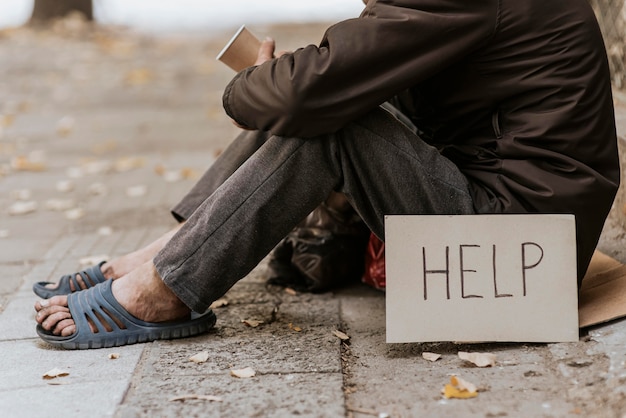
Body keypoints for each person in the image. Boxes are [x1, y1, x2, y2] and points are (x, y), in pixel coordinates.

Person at [34, 0, 620, 349]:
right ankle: (162, 258)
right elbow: (347, 69)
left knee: (330, 115)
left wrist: (257, 83)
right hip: (516, 222)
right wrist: (291, 85)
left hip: (520, 251)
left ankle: (164, 290)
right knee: (326, 101)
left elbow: (308, 89)